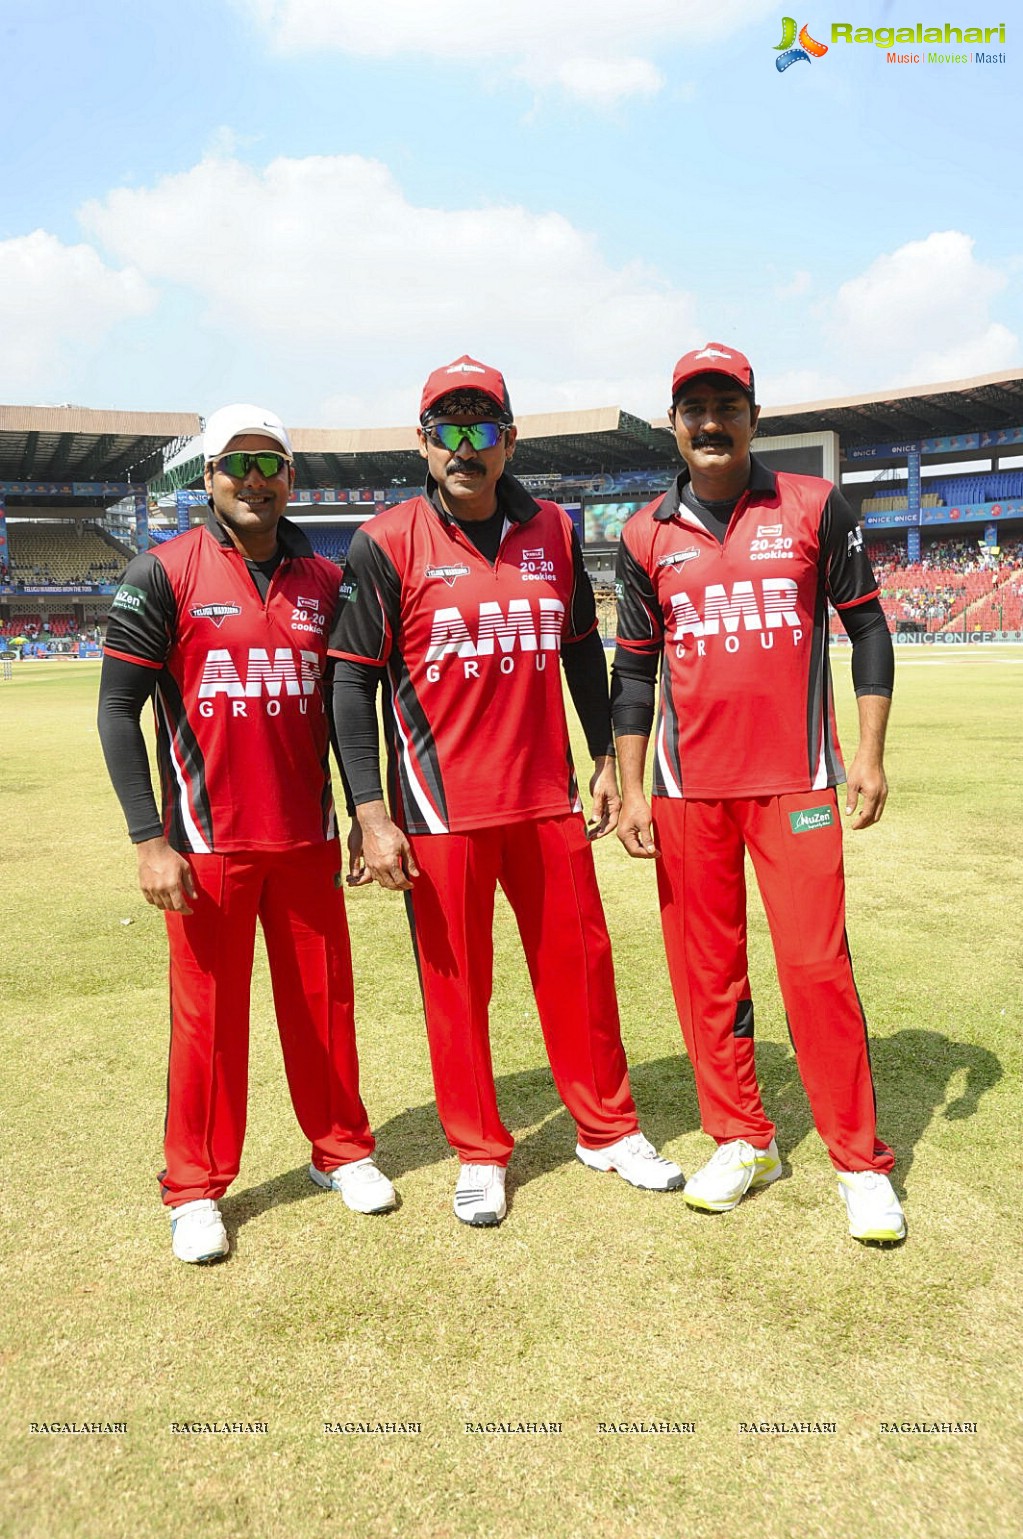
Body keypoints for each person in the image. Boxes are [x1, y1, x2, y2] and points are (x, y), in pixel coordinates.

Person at [329, 356, 683, 1226]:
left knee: (582, 970)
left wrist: (604, 756)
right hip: (439, 814)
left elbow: (577, 652)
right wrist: (370, 814)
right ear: (421, 443)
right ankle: (480, 1149)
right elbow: (349, 686)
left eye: (479, 428)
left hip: (545, 802)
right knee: (458, 991)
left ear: (508, 440)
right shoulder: (384, 541)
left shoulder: (555, 531)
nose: (463, 446)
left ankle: (604, 1128)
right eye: (445, 430)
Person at [612, 343, 905, 1245]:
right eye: (693, 408)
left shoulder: (814, 506)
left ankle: (857, 1162)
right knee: (709, 976)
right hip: (686, 791)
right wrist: (629, 789)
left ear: (751, 415)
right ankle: (742, 1137)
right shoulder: (642, 533)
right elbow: (632, 672)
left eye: (725, 406)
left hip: (797, 784)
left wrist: (867, 752)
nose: (709, 422)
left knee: (817, 971)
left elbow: (867, 630)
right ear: (674, 423)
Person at [98, 404, 396, 1264]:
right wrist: (149, 839)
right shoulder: (164, 572)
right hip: (205, 844)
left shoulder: (325, 579)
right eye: (236, 466)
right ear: (209, 479)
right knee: (209, 1024)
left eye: (270, 465)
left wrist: (360, 810)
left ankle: (341, 1150)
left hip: (303, 837)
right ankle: (193, 1187)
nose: (254, 480)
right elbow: (118, 710)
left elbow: (348, 709)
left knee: (323, 1009)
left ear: (290, 479)